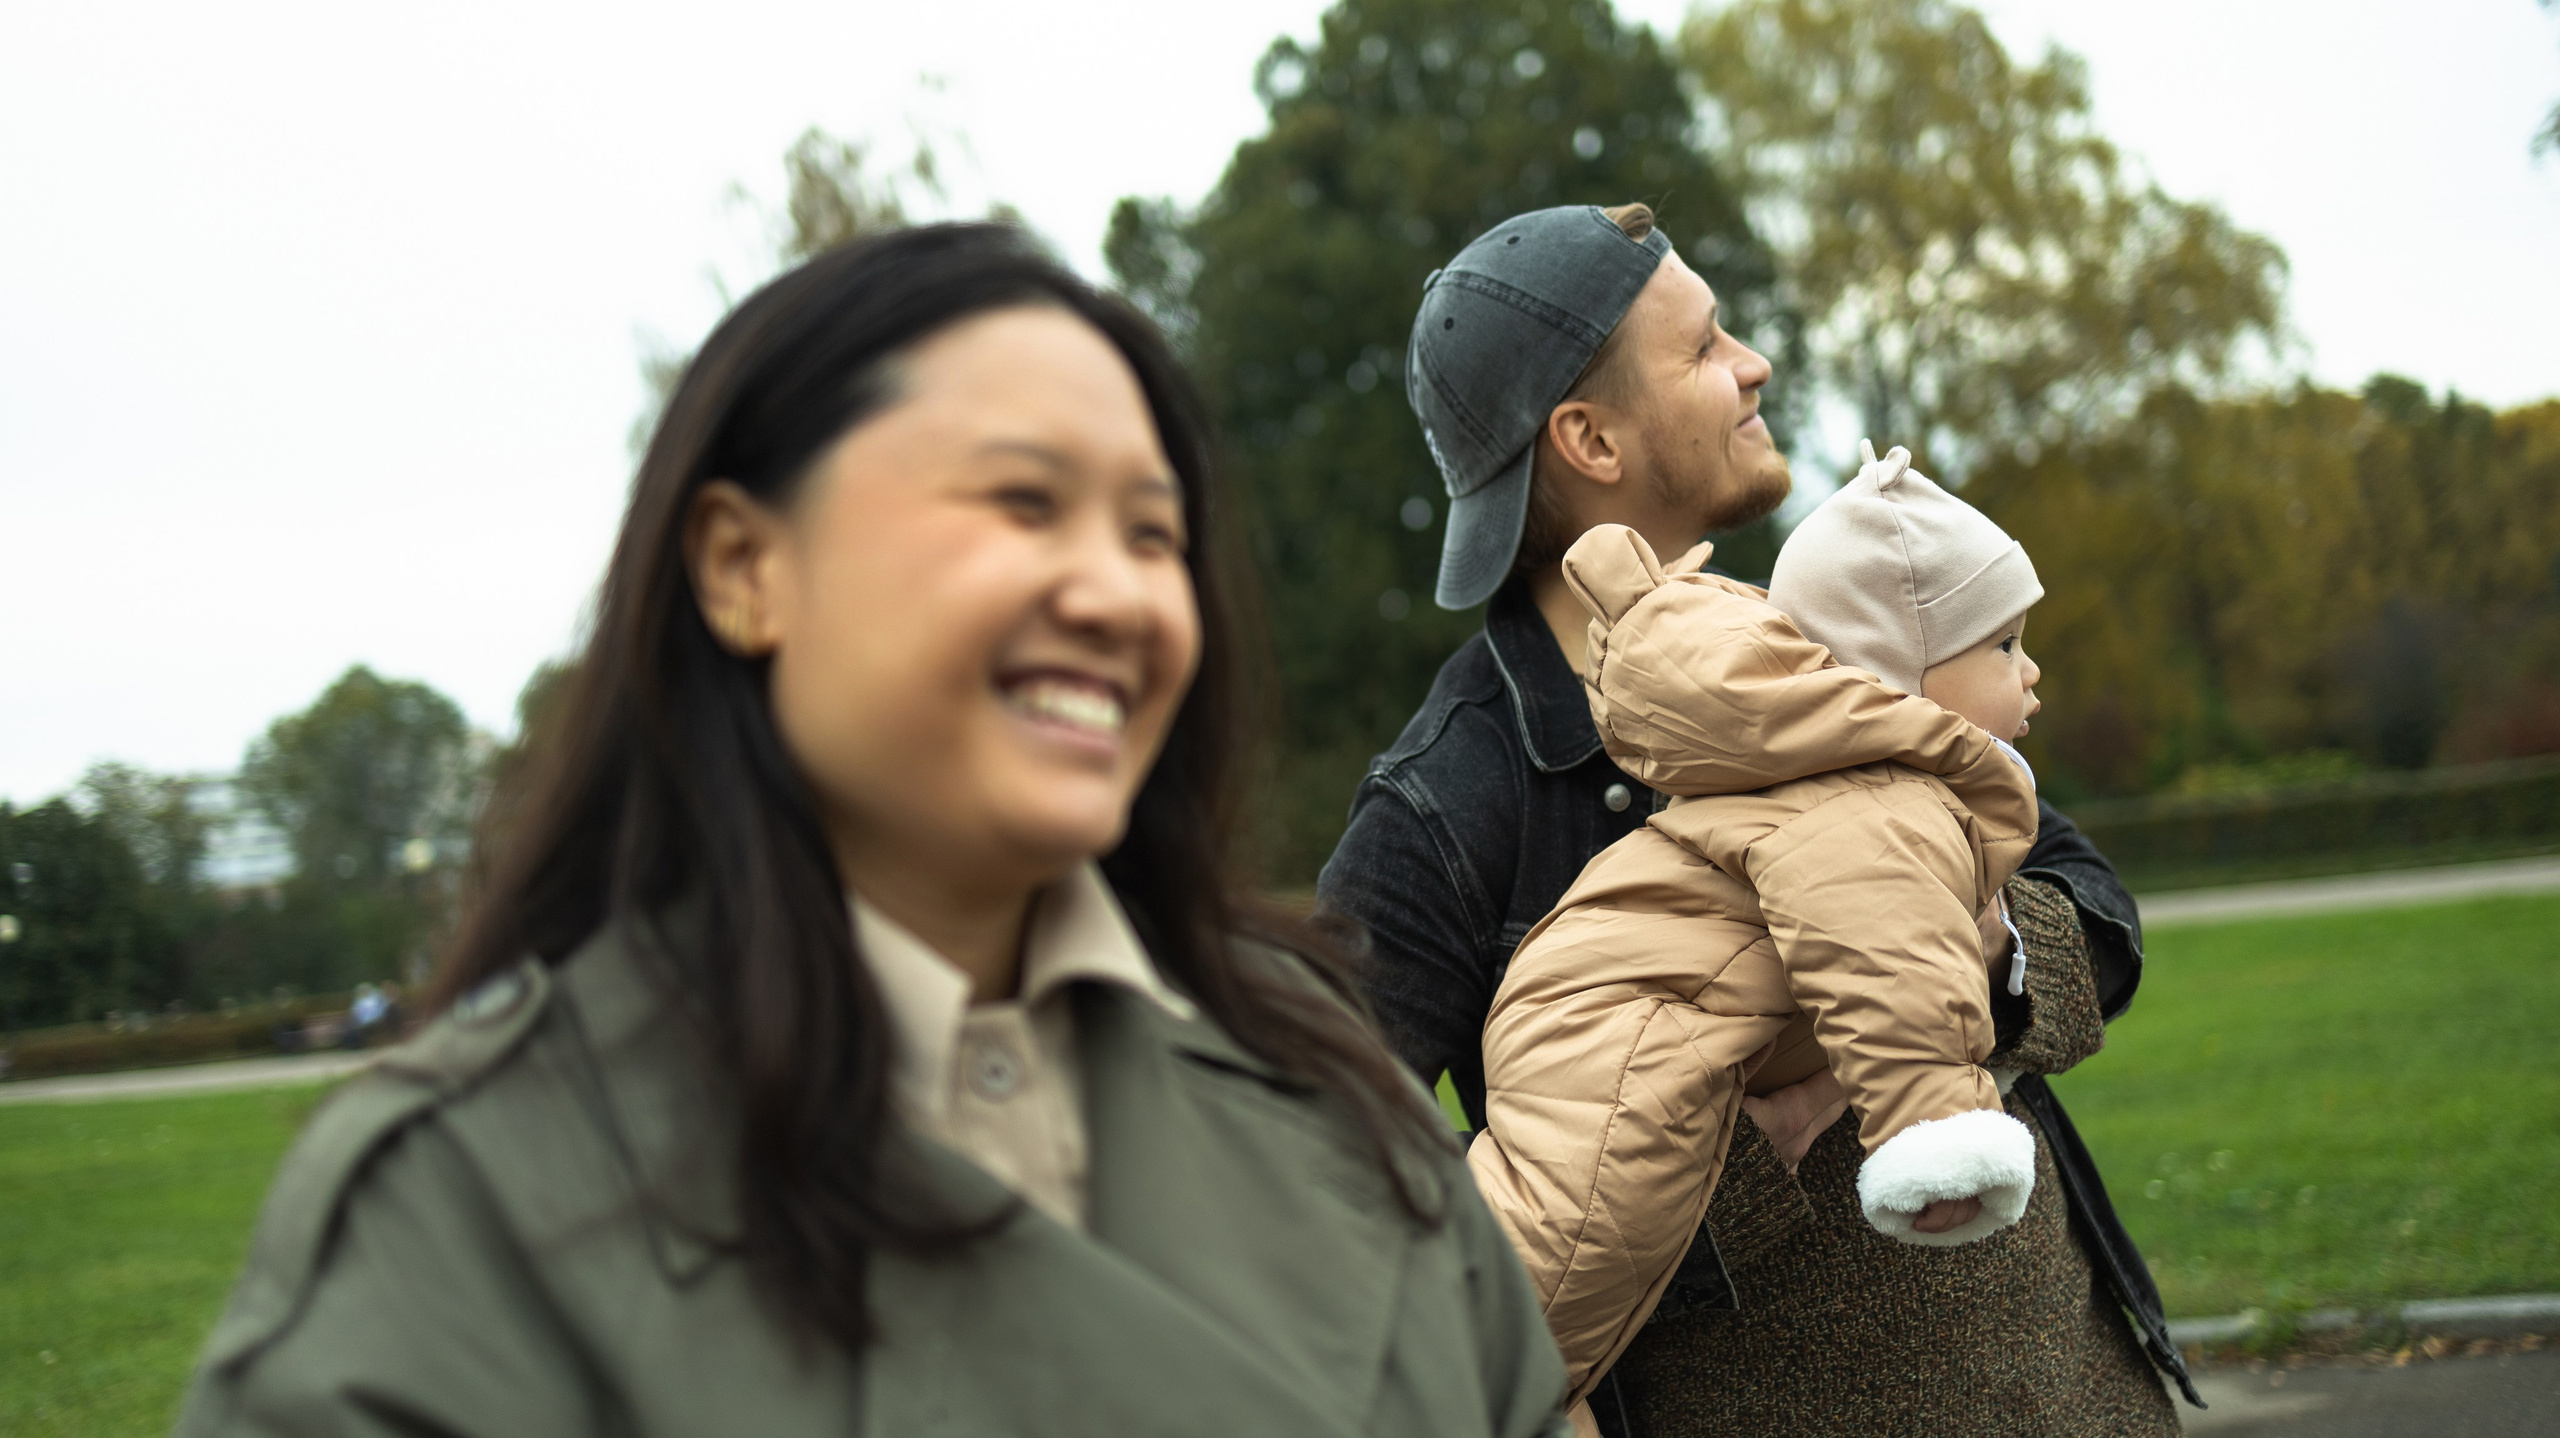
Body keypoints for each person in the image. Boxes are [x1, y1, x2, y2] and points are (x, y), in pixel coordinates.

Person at [177, 224, 1574, 1438]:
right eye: (1021, 502)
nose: (1116, 592)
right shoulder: (462, 1206)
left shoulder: (1329, 1090)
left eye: (1153, 536)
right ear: (743, 566)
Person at [1318, 203, 2198, 1434]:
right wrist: (1726, 1156)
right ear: (1588, 437)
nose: (1755, 364)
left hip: (2081, 1397)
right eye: (1703, 346)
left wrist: (1983, 957)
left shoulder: (1814, 636)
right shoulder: (1445, 798)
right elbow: (1294, 1185)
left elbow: (2098, 920)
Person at [1472, 453, 2074, 1392]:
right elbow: (1889, 957)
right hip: (1627, 1029)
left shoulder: (1835, 768)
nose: (2032, 673)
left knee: (1507, 1288)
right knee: (1527, 1310)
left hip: (1588, 1006)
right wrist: (1938, 1131)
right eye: (2002, 646)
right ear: (1904, 668)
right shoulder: (1878, 797)